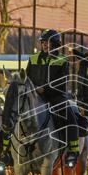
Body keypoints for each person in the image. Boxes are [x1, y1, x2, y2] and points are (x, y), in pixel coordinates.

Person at [24, 29, 79, 167]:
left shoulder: (63, 61)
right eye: (43, 42)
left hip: (55, 97)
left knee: (69, 114)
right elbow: (27, 78)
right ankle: (8, 149)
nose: (44, 45)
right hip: (35, 98)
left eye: (48, 42)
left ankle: (73, 150)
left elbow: (61, 83)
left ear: (55, 43)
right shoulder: (33, 58)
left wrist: (45, 89)